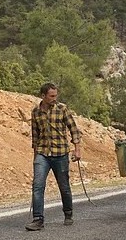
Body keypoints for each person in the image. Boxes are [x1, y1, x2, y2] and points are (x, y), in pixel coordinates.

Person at [25, 83, 82, 231]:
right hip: (42, 153)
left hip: (60, 154)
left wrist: (77, 150)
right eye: (51, 96)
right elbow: (35, 135)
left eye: (56, 95)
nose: (54, 98)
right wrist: (35, 156)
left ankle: (68, 213)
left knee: (64, 187)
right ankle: (38, 219)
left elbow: (74, 129)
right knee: (38, 185)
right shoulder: (36, 112)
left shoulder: (62, 109)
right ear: (43, 96)